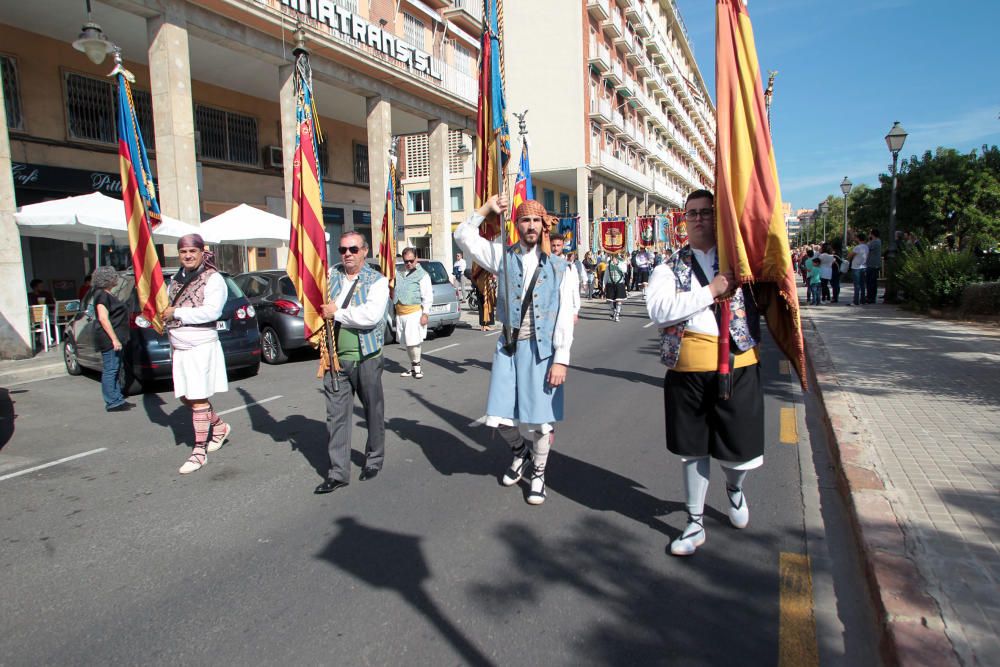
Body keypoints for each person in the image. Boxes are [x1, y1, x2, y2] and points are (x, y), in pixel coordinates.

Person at [646, 189, 764, 557]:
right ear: (684, 218)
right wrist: (712, 291)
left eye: (707, 212)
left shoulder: (742, 262)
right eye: (692, 213)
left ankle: (734, 488)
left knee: (739, 453)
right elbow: (660, 310)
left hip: (739, 363)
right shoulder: (667, 267)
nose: (699, 218)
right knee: (692, 450)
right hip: (689, 368)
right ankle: (694, 522)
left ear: (718, 217)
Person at [454, 195, 576, 506]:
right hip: (509, 347)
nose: (531, 226)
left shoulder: (562, 267)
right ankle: (520, 452)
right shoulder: (502, 257)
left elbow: (564, 317)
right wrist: (486, 209)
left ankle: (538, 472)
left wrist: (561, 359)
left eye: (536, 220)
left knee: (540, 421)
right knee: (500, 417)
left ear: (543, 226)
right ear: (517, 225)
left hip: (542, 350)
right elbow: (463, 237)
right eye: (525, 220)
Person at [314, 231, 390, 494]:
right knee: (336, 417)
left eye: (353, 249)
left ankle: (374, 459)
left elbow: (370, 316)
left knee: (373, 410)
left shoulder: (377, 281)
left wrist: (338, 313)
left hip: (366, 358)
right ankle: (338, 472)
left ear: (365, 251)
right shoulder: (332, 275)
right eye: (343, 249)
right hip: (335, 360)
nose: (347, 254)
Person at [162, 235, 233, 475]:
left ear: (202, 252)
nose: (188, 255)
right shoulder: (173, 280)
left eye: (193, 250)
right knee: (186, 397)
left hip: (201, 345)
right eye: (184, 251)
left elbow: (212, 312)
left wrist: (177, 313)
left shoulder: (214, 279)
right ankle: (219, 427)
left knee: (198, 398)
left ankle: (199, 451)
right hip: (179, 345)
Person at [91, 266, 132, 412]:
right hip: (109, 339)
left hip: (116, 337)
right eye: (114, 276)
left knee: (115, 367)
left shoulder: (106, 294)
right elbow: (103, 318)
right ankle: (112, 401)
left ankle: (117, 398)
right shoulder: (101, 295)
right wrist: (114, 339)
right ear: (108, 279)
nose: (116, 278)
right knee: (111, 369)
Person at [395, 248, 432, 380]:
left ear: (416, 259)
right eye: (406, 261)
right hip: (400, 313)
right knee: (407, 342)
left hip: (414, 312)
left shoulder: (423, 275)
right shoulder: (399, 272)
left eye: (411, 260)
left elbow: (427, 296)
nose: (409, 263)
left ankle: (417, 368)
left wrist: (425, 314)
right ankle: (413, 367)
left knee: (413, 342)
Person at [549, 232, 580, 317]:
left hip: (565, 310)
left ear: (563, 246)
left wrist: (575, 311)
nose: (555, 248)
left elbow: (575, 289)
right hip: (548, 310)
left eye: (558, 245)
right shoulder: (545, 264)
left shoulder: (569, 266)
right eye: (553, 245)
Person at [603, 252, 629, 321]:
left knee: (619, 300)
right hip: (610, 283)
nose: (612, 255)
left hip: (619, 282)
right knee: (609, 301)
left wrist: (617, 263)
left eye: (614, 254)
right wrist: (604, 284)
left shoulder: (621, 261)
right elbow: (606, 274)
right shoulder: (609, 262)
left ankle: (617, 314)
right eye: (611, 254)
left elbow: (625, 270)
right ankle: (613, 310)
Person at [847, 232, 869, 306]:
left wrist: (849, 255)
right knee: (862, 284)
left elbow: (850, 255)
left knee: (857, 285)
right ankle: (862, 300)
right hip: (864, 266)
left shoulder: (857, 247)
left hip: (856, 267)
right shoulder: (866, 247)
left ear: (858, 239)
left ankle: (856, 301)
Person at [866, 229, 882, 304]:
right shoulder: (878, 241)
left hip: (872, 264)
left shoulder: (875, 242)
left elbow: (867, 248)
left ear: (872, 234)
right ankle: (870, 296)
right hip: (873, 264)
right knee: (871, 282)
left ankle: (871, 297)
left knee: (871, 282)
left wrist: (869, 241)